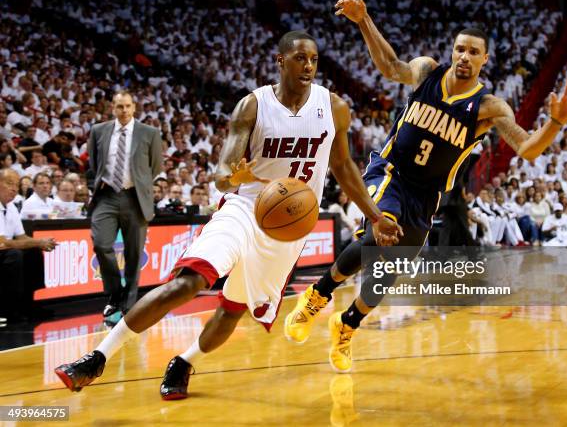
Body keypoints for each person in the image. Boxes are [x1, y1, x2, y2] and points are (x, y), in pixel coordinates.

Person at [54, 31, 401, 398]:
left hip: (289, 229)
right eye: (300, 58)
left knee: (234, 309)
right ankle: (97, 358)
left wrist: (375, 216)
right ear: (281, 61)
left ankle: (185, 361)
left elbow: (344, 166)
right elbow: (222, 175)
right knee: (188, 282)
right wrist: (233, 176)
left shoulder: (333, 107)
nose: (309, 66)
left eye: (314, 60)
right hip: (245, 208)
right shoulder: (252, 106)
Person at [284, 0, 567, 373]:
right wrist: (364, 20)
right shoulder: (428, 71)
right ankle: (317, 296)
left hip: (426, 195)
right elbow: (390, 66)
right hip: (391, 173)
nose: (464, 56)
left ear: (484, 60)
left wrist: (555, 123)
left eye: (473, 52)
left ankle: (346, 324)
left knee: (388, 270)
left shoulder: (488, 107)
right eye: (459, 48)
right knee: (380, 232)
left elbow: (527, 148)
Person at [86, 91, 162, 318]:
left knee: (133, 253)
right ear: (113, 107)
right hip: (106, 196)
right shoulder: (98, 130)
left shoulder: (149, 133)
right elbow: (93, 164)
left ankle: (128, 302)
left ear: (134, 107)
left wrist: (139, 183)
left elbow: (155, 166)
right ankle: (114, 294)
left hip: (135, 198)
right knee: (101, 244)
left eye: (128, 106)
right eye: (120, 107)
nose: (124, 111)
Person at [0, 169, 57, 323]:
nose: (14, 188)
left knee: (32, 252)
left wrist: (40, 243)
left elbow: (21, 237)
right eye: (9, 183)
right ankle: (8, 309)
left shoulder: (10, 207)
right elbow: (3, 243)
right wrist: (38, 242)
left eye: (16, 185)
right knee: (14, 255)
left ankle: (28, 304)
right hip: (2, 249)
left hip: (4, 249)